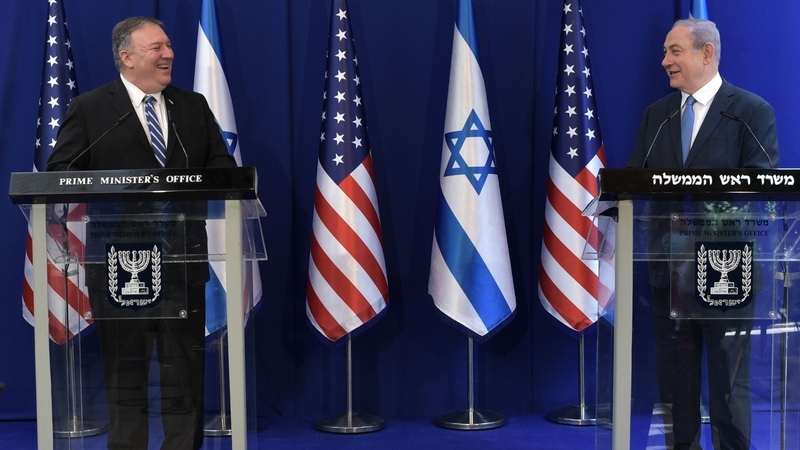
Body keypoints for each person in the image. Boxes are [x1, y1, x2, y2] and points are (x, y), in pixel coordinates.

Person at [47, 17, 235, 450]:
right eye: (157, 47)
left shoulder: (193, 106)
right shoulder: (92, 109)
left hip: (182, 261)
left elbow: (223, 169)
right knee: (125, 371)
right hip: (120, 266)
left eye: (169, 44)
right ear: (127, 58)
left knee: (184, 372)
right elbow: (60, 174)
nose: (169, 53)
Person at [627, 18, 778, 450]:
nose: (665, 61)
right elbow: (633, 181)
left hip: (727, 271)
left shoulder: (751, 111)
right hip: (668, 268)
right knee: (677, 382)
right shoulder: (657, 115)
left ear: (705, 53)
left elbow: (761, 186)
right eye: (665, 52)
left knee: (729, 386)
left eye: (675, 51)